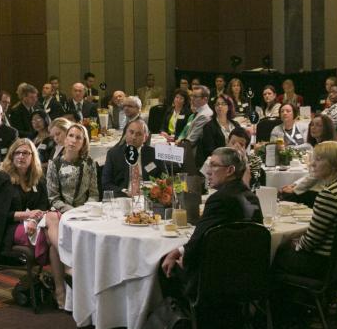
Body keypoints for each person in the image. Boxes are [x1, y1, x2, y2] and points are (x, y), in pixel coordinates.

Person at [159, 148, 262, 298]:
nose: (207, 171)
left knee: (163, 263)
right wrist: (181, 251)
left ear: (230, 170)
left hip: (214, 279)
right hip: (250, 275)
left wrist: (180, 255)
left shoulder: (218, 199)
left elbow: (199, 240)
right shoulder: (252, 198)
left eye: (213, 165)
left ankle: (182, 318)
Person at [275, 141, 337, 280]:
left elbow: (310, 242)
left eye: (318, 159)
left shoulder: (329, 194)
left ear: (334, 163)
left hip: (324, 262)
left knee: (277, 253)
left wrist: (295, 243)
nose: (312, 164)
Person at [0, 138, 51, 291]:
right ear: (12, 156)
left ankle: (58, 282)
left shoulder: (37, 178)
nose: (21, 156)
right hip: (8, 230)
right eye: (17, 153)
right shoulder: (2, 178)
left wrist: (33, 218)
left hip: (32, 224)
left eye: (26, 153)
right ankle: (62, 277)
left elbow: (43, 205)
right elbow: (0, 215)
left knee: (54, 226)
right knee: (52, 237)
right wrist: (28, 216)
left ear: (33, 156)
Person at [42, 123, 98, 306]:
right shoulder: (54, 164)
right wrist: (71, 212)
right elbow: (53, 198)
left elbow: (94, 194)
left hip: (84, 212)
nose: (73, 140)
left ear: (84, 143)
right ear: (65, 139)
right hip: (61, 211)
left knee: (52, 246)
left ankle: (62, 292)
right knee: (53, 219)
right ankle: (69, 271)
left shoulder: (89, 163)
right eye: (71, 136)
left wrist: (84, 211)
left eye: (78, 138)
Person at [102, 119, 157, 197]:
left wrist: (150, 189)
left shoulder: (154, 154)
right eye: (131, 132)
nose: (134, 137)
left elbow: (164, 181)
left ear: (145, 138)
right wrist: (126, 191)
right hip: (123, 197)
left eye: (139, 134)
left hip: (148, 197)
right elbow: (106, 183)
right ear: (125, 133)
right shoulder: (114, 154)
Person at [198, 94, 239, 159]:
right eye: (217, 104)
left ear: (229, 106)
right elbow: (209, 150)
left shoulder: (236, 124)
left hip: (237, 158)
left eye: (223, 104)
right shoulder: (209, 127)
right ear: (214, 107)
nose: (220, 106)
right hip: (219, 161)